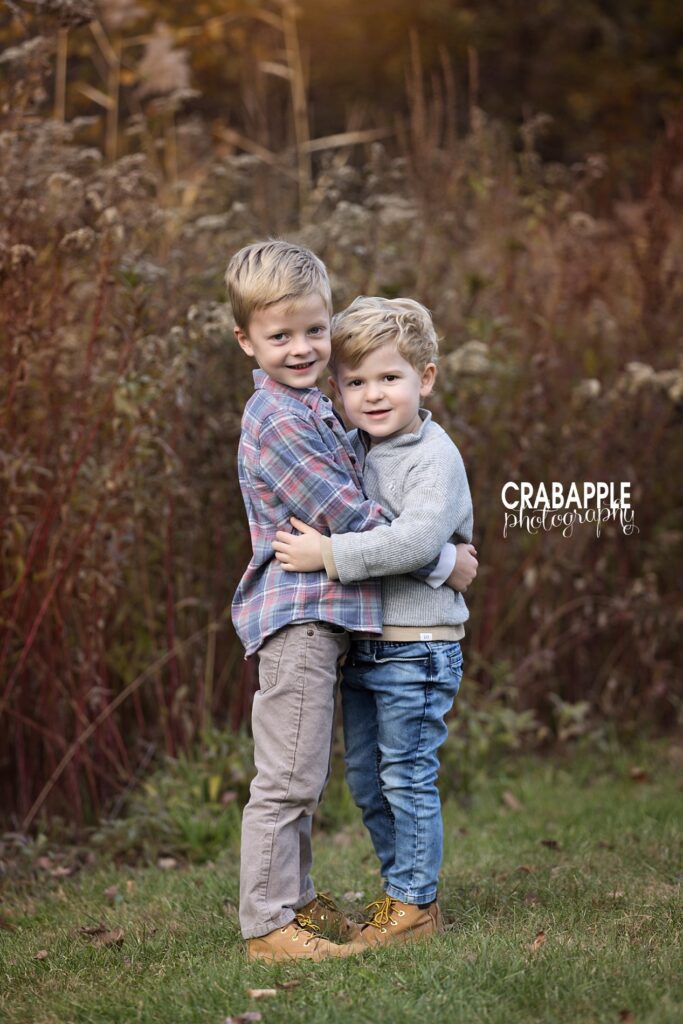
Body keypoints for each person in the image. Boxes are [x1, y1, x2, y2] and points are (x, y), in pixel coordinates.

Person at [227, 241, 476, 961]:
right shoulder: (280, 418)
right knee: (288, 779)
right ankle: (272, 925)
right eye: (280, 336)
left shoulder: (315, 408)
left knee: (313, 775)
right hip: (298, 615)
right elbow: (350, 514)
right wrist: (442, 560)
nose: (302, 348)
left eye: (313, 331)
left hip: (339, 622)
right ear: (246, 340)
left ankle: (298, 905)